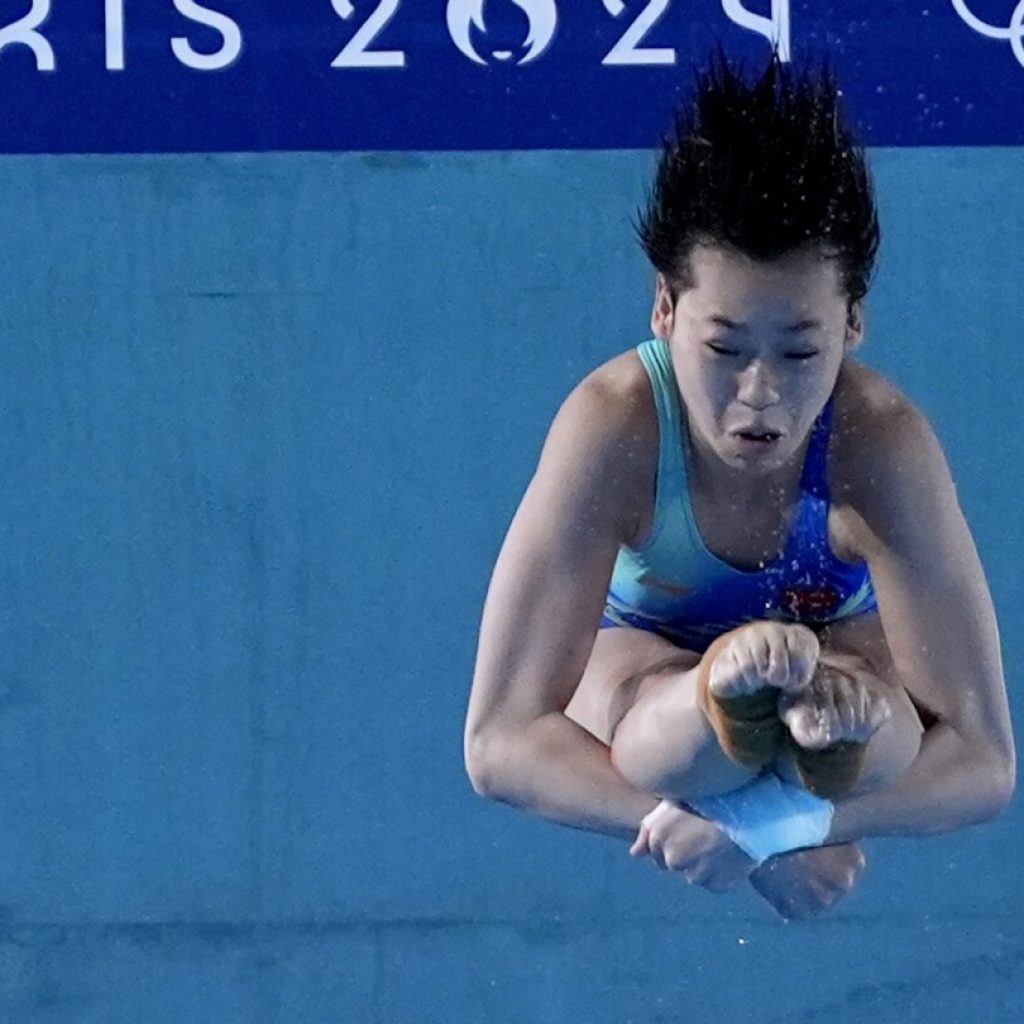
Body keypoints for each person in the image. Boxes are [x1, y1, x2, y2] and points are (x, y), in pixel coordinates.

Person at [463, 52, 1015, 920]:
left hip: (839, 648)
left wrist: (786, 823)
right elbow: (499, 741)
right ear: (664, 311)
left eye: (801, 353)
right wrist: (747, 836)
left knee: (879, 716)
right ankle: (711, 698)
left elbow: (984, 761)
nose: (760, 394)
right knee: (647, 714)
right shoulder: (614, 427)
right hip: (645, 660)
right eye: (724, 350)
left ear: (854, 322)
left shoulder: (882, 443)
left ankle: (791, 707)